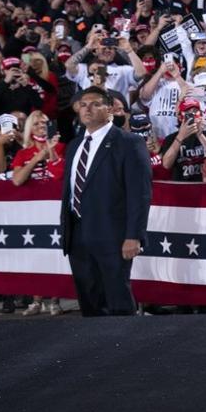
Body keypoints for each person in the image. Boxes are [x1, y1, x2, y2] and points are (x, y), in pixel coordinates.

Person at [58, 86, 152, 316]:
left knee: (118, 300)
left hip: (114, 235)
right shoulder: (74, 146)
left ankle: (126, 349)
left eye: (94, 103)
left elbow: (139, 194)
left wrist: (134, 235)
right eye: (82, 104)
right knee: (89, 302)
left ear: (109, 109)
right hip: (77, 235)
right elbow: (70, 192)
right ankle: (93, 349)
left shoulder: (128, 142)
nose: (87, 108)